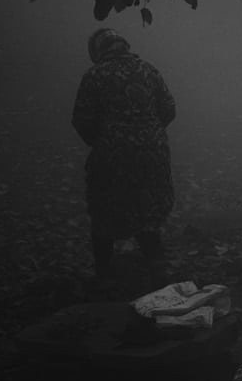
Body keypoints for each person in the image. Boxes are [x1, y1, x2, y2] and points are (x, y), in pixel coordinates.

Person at [71, 26, 177, 281]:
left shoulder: (94, 75)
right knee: (147, 207)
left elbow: (82, 119)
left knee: (104, 209)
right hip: (152, 152)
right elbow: (169, 108)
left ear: (97, 51)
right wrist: (149, 133)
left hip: (112, 154)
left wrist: (103, 140)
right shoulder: (148, 70)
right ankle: (156, 267)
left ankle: (104, 272)